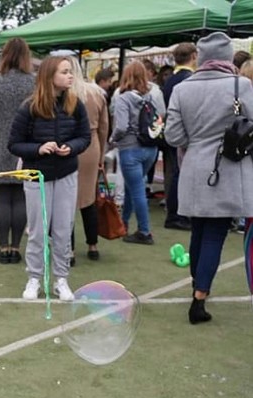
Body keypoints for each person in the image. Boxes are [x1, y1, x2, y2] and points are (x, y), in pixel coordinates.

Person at [165, 32, 253, 324]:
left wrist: (198, 139)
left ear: (200, 58)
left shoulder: (183, 88)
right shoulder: (243, 85)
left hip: (193, 167)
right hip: (228, 167)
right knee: (215, 233)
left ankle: (197, 285)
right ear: (228, 56)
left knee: (198, 231)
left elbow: (174, 135)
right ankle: (199, 297)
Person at [9, 56, 91, 301]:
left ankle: (61, 280)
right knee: (37, 231)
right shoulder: (29, 107)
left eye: (70, 72)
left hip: (66, 174)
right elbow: (14, 144)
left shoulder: (76, 104)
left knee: (64, 230)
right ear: (49, 76)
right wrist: (38, 149)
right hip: (37, 177)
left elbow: (84, 137)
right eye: (65, 72)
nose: (70, 76)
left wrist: (71, 147)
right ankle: (34, 278)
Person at [0, 37, 35, 264]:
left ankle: (3, 247)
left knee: (2, 197)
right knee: (21, 198)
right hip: (26, 144)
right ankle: (16, 246)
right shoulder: (34, 82)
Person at [110, 61, 165, 245]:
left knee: (137, 190)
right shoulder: (151, 97)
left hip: (130, 148)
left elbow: (121, 126)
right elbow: (161, 117)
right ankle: (123, 223)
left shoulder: (123, 98)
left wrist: (112, 139)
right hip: (150, 148)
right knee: (132, 186)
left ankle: (144, 231)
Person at [69, 57, 108, 262]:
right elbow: (104, 127)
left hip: (68, 145)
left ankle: (70, 249)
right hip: (91, 146)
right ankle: (93, 245)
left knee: (66, 199)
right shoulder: (96, 92)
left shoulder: (64, 93)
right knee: (88, 197)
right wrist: (101, 155)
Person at [161, 43, 197, 232]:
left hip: (170, 131)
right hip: (183, 134)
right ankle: (176, 215)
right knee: (179, 174)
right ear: (193, 56)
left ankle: (174, 212)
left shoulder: (170, 80)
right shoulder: (187, 79)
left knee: (174, 173)